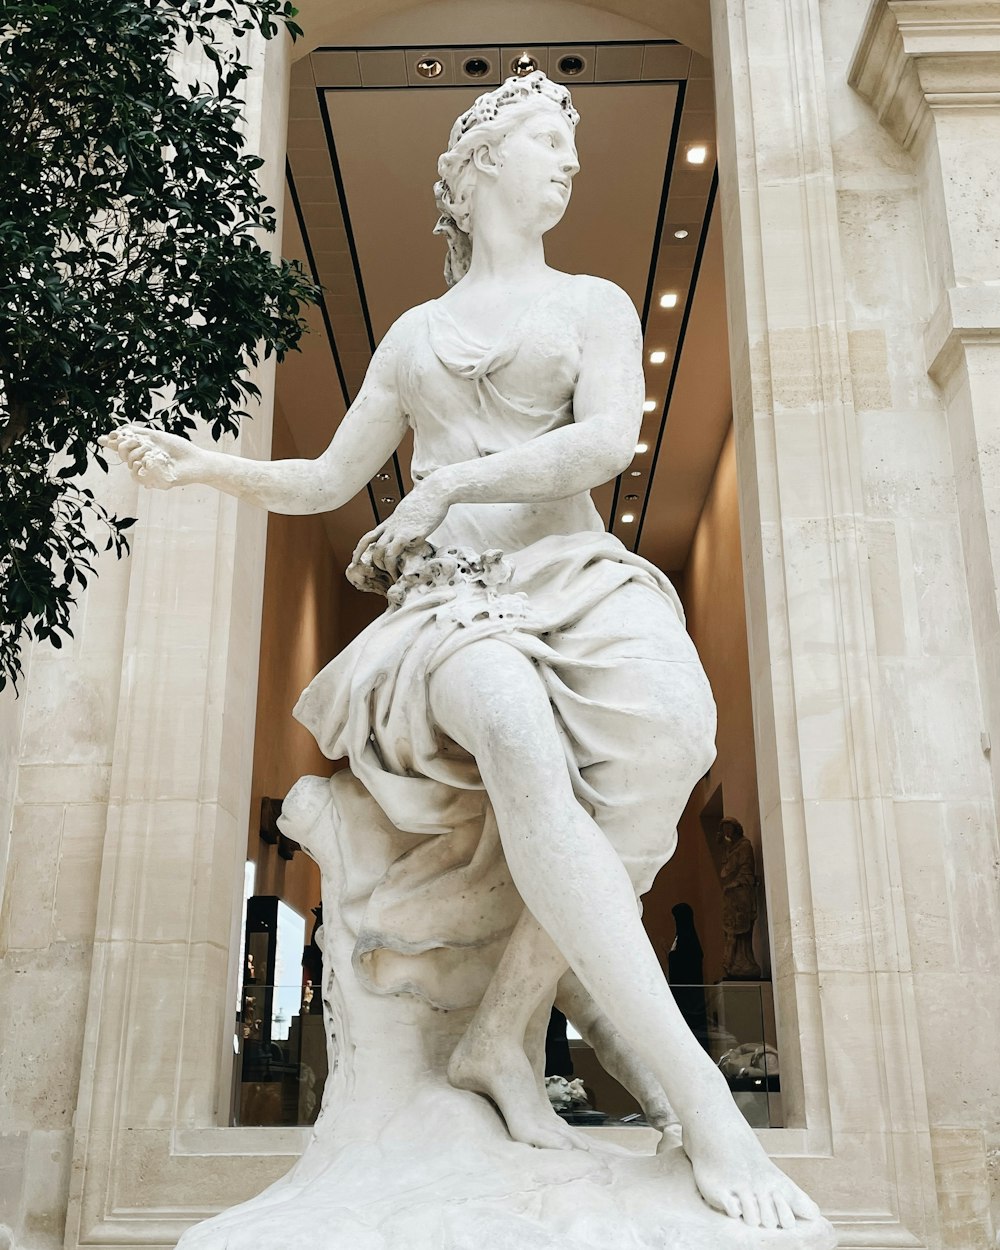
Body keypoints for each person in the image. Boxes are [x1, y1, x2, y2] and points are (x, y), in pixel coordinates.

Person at [102, 71, 818, 1231]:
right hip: (452, 610)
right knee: (514, 728)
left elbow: (602, 442)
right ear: (481, 162)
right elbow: (329, 478)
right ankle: (706, 1108)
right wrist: (203, 464)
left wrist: (454, 484)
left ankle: (500, 1035)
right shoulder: (417, 337)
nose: (568, 164)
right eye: (546, 142)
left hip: (579, 580)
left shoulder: (590, 303)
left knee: (676, 739)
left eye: (571, 148)